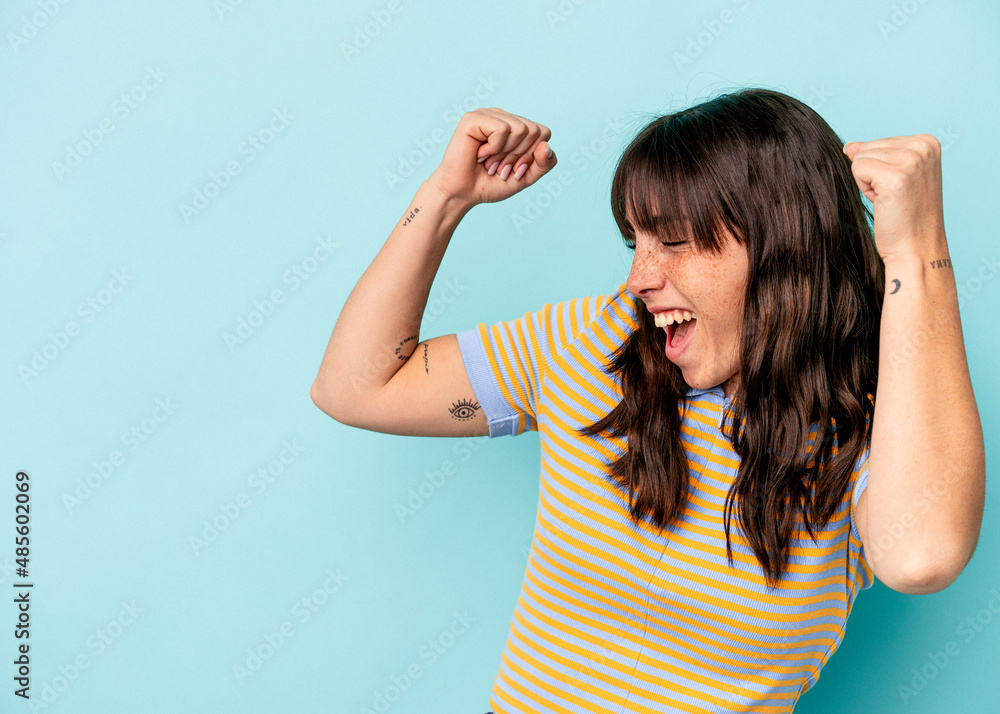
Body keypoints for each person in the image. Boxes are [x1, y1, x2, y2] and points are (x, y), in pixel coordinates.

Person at [310, 89, 985, 713]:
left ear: (785, 248)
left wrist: (918, 247)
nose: (640, 277)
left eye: (675, 241)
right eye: (635, 242)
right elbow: (356, 388)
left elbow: (921, 557)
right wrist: (445, 197)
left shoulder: (874, 429)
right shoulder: (589, 343)